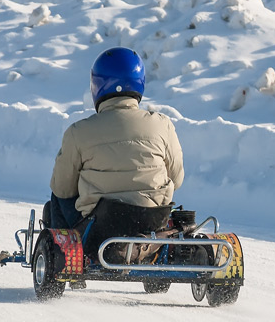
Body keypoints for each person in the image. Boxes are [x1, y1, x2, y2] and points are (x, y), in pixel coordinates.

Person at [46, 47, 184, 230]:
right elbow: (177, 179)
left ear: (97, 85)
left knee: (57, 197)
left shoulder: (78, 132)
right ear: (140, 82)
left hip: (98, 230)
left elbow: (63, 189)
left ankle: (63, 255)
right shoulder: (162, 125)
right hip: (152, 224)